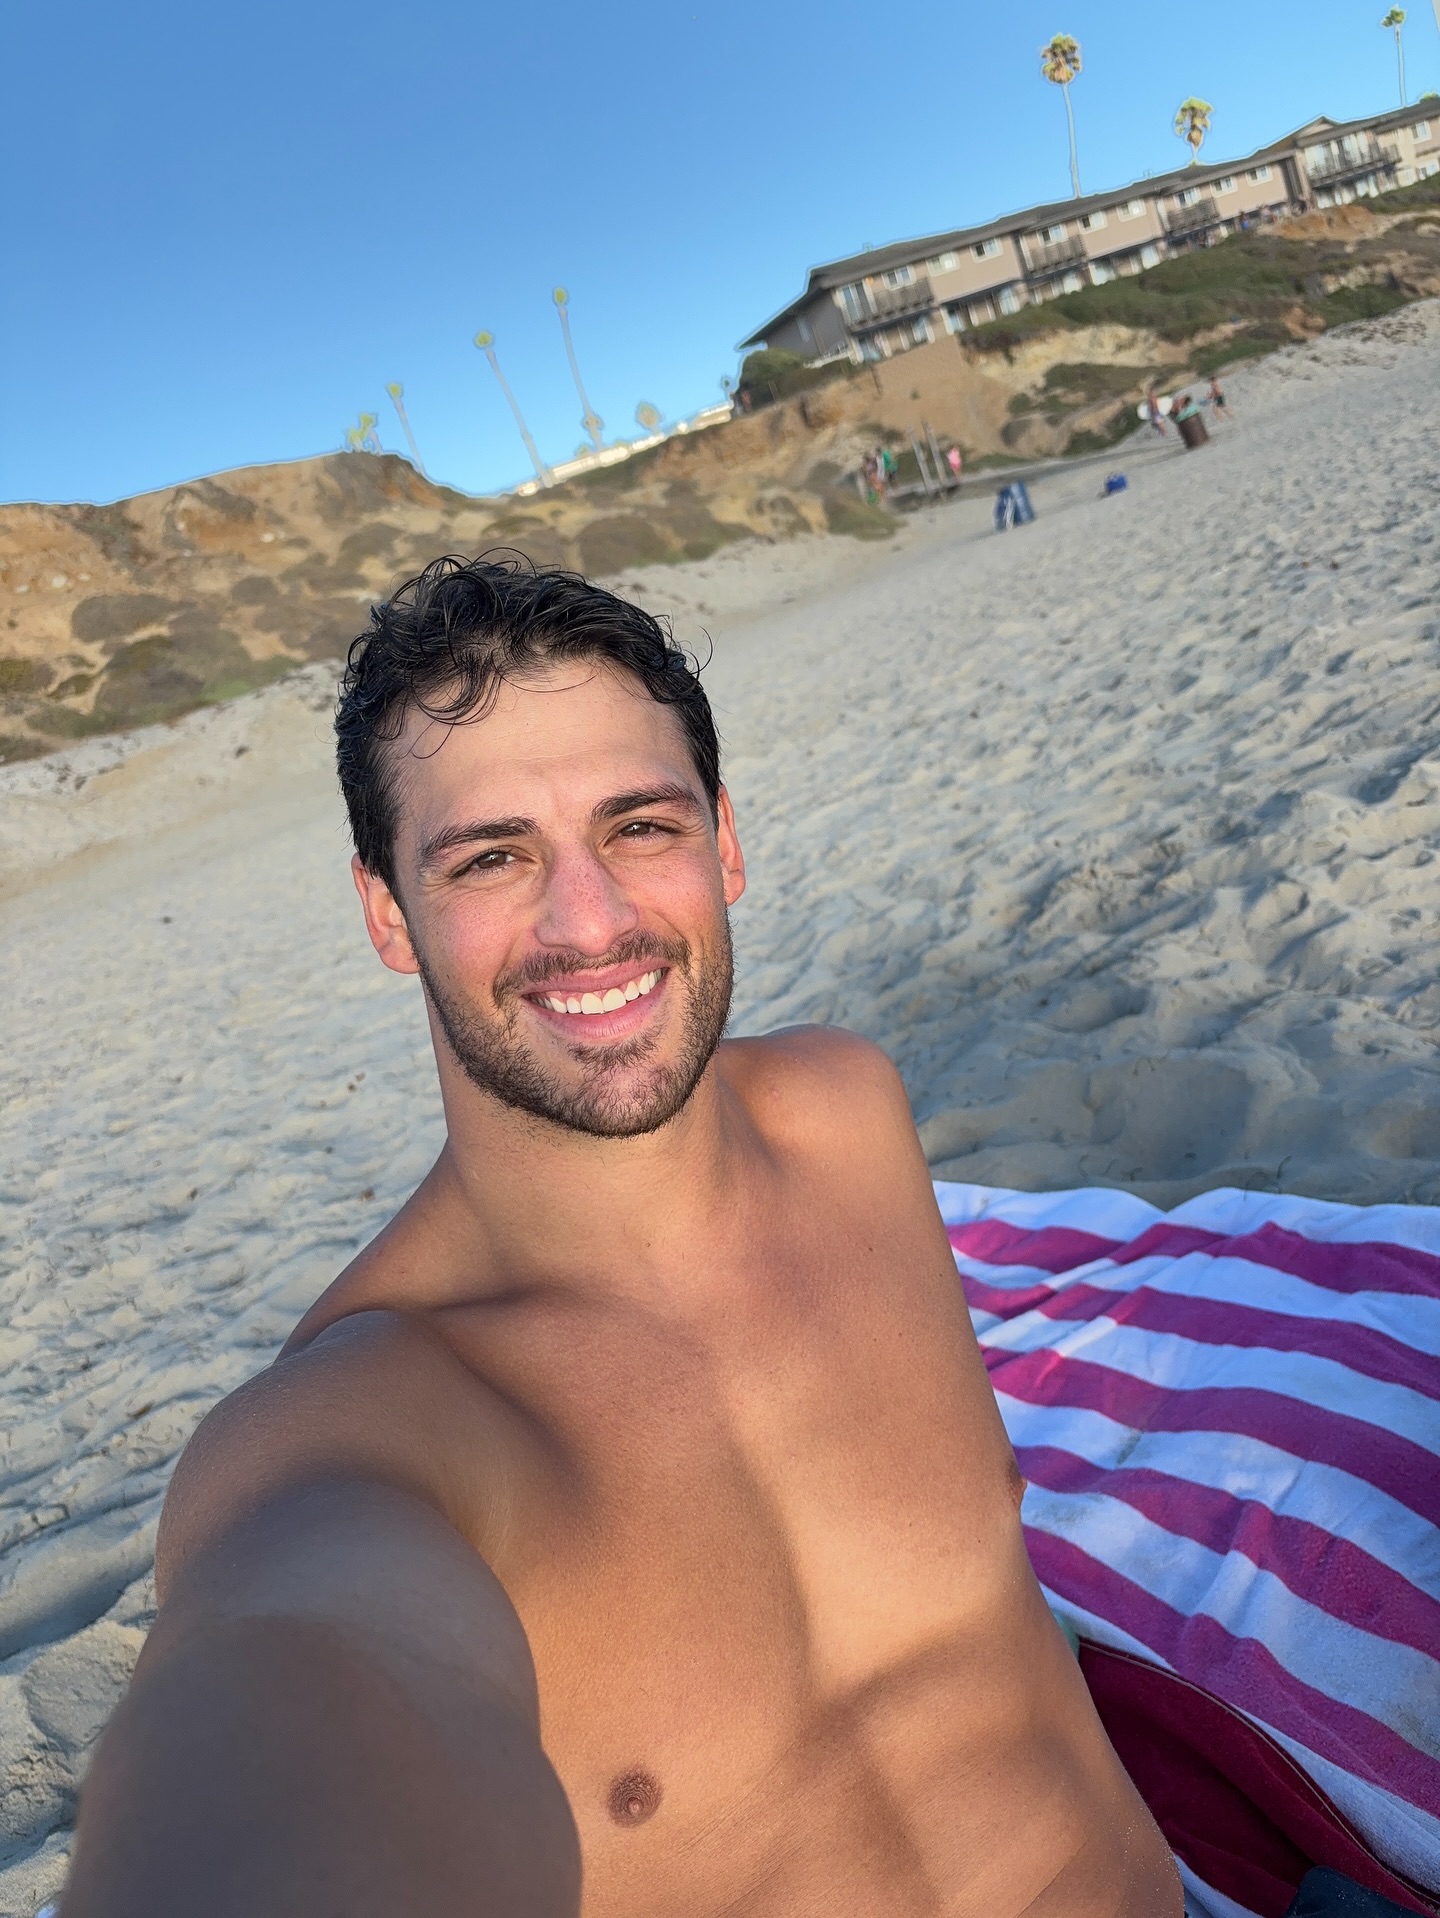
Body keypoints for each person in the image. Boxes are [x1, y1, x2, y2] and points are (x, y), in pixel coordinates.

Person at [62, 557, 1183, 1918]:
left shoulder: (850, 1116)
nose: (590, 924)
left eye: (640, 825)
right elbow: (291, 1690)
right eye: (492, 857)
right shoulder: (359, 1429)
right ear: (387, 914)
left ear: (726, 843)